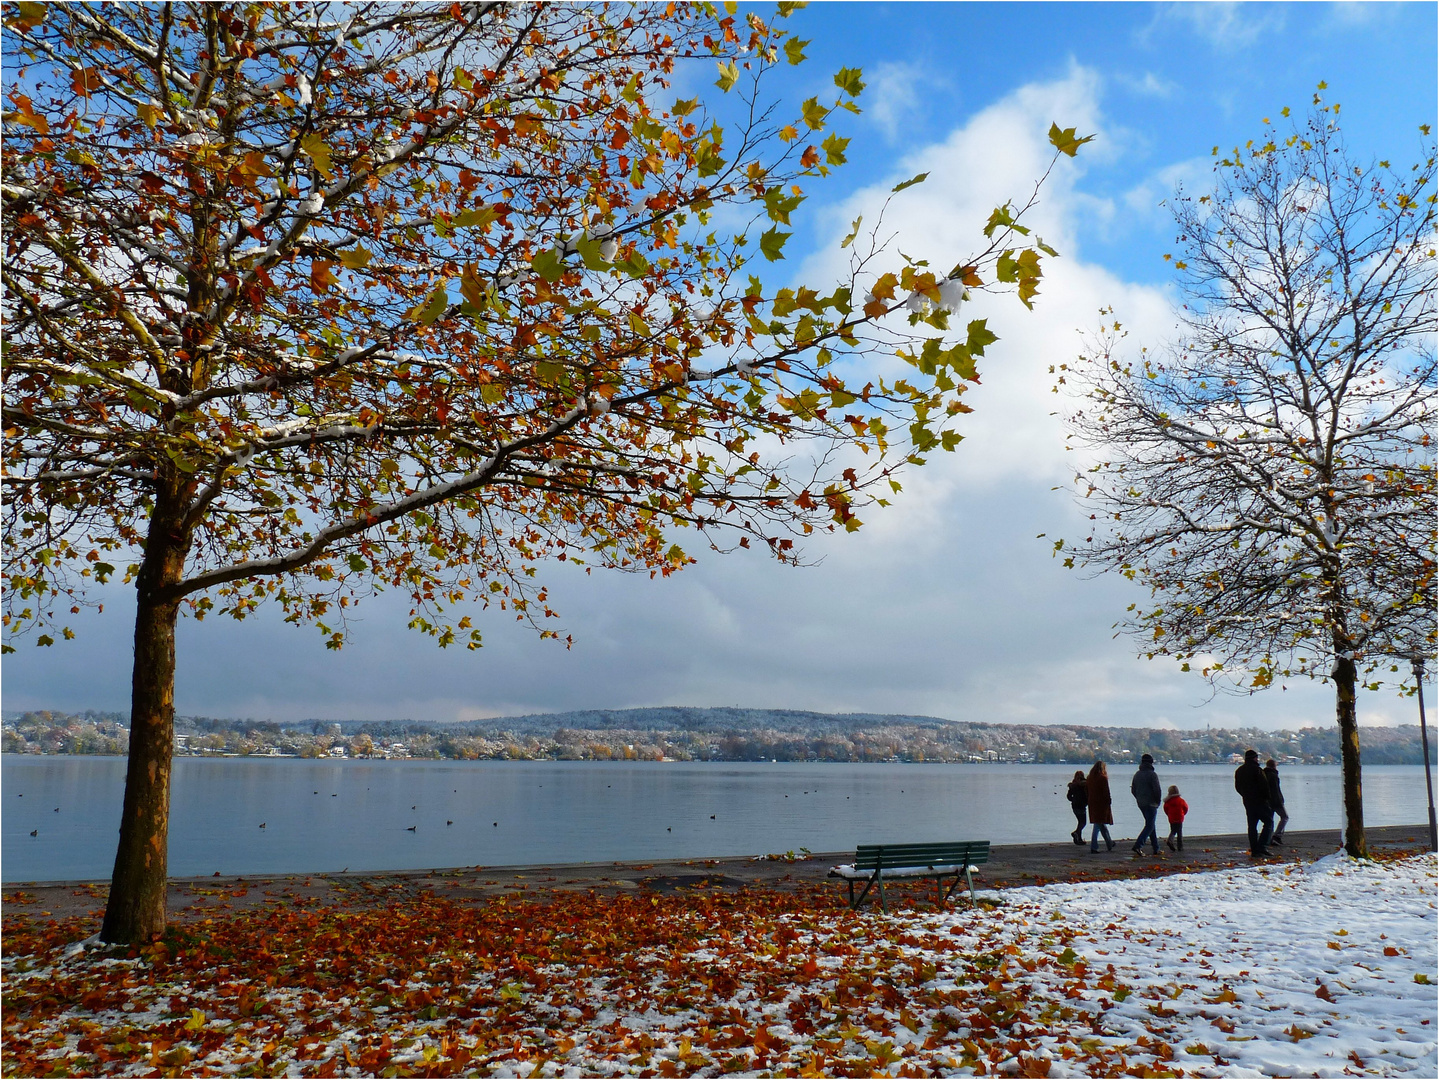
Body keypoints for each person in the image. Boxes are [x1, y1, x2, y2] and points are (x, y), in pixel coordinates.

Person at [1234, 749, 1274, 856]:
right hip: (1260, 801)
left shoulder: (1239, 771)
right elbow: (1264, 786)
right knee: (1269, 822)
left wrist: (1245, 795)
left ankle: (1254, 849)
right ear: (1254, 758)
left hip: (1248, 802)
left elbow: (1237, 787)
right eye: (1257, 757)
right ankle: (1262, 846)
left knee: (1252, 826)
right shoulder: (1257, 770)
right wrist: (1267, 799)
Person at [1130, 753, 1163, 856]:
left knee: (1150, 824)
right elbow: (1157, 790)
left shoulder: (1137, 774)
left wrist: (1139, 798)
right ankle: (1138, 845)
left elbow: (1133, 790)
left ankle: (1156, 848)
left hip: (1141, 803)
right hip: (1151, 803)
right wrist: (1158, 801)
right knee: (1150, 825)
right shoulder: (1152, 775)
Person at [1086, 761, 1115, 853]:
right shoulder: (1103, 778)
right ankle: (1094, 846)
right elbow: (1106, 791)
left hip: (1092, 802)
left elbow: (1087, 790)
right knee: (1098, 824)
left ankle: (1109, 843)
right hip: (1101, 803)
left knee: (1101, 824)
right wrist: (1109, 801)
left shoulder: (1090, 778)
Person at [1265, 759, 1289, 845]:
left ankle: (1268, 838)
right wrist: (1280, 800)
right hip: (1276, 801)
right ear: (1274, 766)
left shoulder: (1264, 774)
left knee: (1270, 820)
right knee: (1285, 817)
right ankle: (1277, 836)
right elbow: (1275, 790)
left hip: (1267, 801)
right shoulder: (1273, 775)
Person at [1066, 770, 1089, 845]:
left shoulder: (1073, 785)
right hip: (1082, 805)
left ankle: (1079, 839)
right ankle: (1076, 833)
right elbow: (1087, 794)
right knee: (1083, 822)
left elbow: (1069, 796)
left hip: (1074, 806)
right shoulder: (1085, 784)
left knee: (1080, 822)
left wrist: (1073, 800)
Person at [1163, 784, 1188, 851]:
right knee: (1179, 832)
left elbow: (1165, 809)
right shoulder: (1181, 800)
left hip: (1171, 818)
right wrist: (1183, 814)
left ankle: (1170, 840)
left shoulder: (1168, 801)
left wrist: (1169, 815)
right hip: (1179, 817)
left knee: (1173, 830)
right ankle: (1180, 846)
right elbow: (1185, 808)